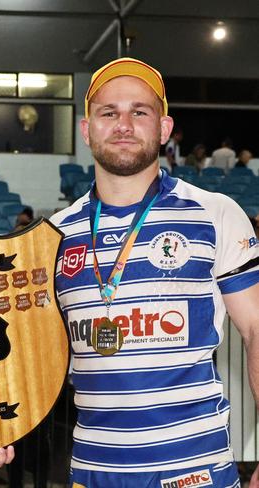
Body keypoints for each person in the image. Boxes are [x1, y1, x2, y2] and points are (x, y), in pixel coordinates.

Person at [50, 57, 259, 487]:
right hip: (92, 473)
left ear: (164, 129)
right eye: (109, 112)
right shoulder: (53, 234)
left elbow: (257, 328)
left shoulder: (215, 214)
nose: (123, 123)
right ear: (87, 130)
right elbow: (27, 356)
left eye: (139, 111)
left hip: (195, 473)